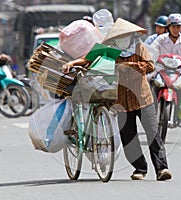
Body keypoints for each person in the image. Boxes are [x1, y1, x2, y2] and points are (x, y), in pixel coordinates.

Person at [63, 18, 172, 181]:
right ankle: (140, 169)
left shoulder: (138, 48)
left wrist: (128, 67)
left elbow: (149, 65)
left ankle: (161, 168)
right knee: (129, 138)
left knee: (153, 134)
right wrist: (72, 63)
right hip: (121, 100)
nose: (123, 39)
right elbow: (88, 58)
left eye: (126, 36)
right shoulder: (109, 49)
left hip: (143, 98)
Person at [151, 13, 181, 126]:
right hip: (161, 69)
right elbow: (152, 48)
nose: (176, 29)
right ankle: (151, 110)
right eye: (174, 27)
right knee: (151, 81)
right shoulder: (161, 39)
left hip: (179, 70)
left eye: (179, 27)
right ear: (168, 27)